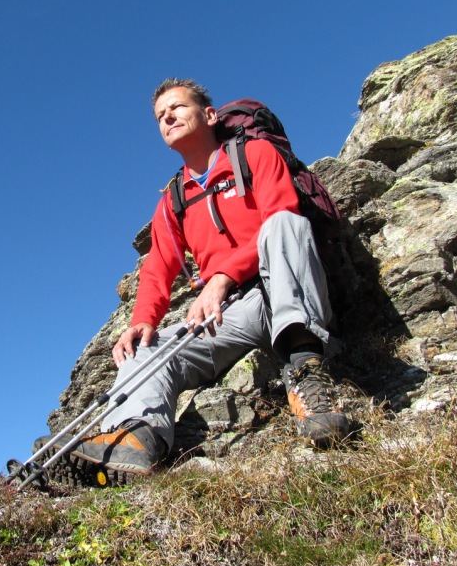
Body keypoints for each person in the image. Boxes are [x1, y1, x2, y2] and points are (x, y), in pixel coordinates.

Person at [39, 78, 349, 487]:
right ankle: (133, 441)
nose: (167, 117)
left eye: (177, 108)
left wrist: (222, 278)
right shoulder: (174, 199)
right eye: (160, 116)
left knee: (285, 225)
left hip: (284, 288)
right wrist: (142, 321)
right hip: (233, 311)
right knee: (144, 351)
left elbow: (283, 213)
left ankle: (307, 371)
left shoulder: (255, 154)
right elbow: (158, 267)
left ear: (209, 115)